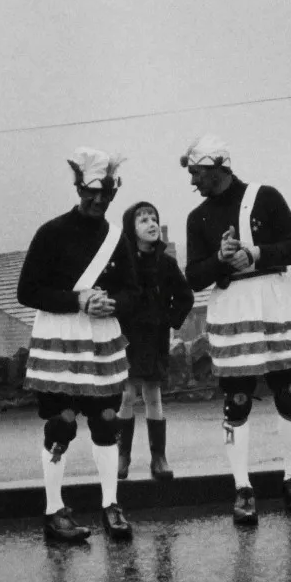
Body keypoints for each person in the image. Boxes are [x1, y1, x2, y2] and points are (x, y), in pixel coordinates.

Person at [182, 134, 291, 525]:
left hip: (274, 298)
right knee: (237, 399)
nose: (193, 183)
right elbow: (193, 277)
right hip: (233, 305)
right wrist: (220, 260)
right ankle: (242, 488)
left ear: (217, 168)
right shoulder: (199, 217)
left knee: (290, 394)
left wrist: (256, 253)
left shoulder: (265, 197)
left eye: (197, 174)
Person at [17, 147, 139, 543]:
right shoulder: (51, 232)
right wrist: (78, 300)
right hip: (60, 339)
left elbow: (135, 292)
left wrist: (113, 303)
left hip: (101, 339)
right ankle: (54, 511)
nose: (98, 201)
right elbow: (27, 291)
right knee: (61, 424)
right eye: (91, 193)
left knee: (106, 421)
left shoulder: (117, 238)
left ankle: (110, 505)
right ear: (77, 188)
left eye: (106, 195)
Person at [114, 201, 194, 481]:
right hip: (129, 335)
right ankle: (121, 456)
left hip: (156, 336)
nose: (151, 224)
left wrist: (169, 319)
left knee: (153, 395)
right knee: (127, 394)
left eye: (153, 218)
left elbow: (186, 296)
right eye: (143, 220)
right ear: (131, 230)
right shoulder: (123, 263)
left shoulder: (166, 262)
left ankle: (158, 458)